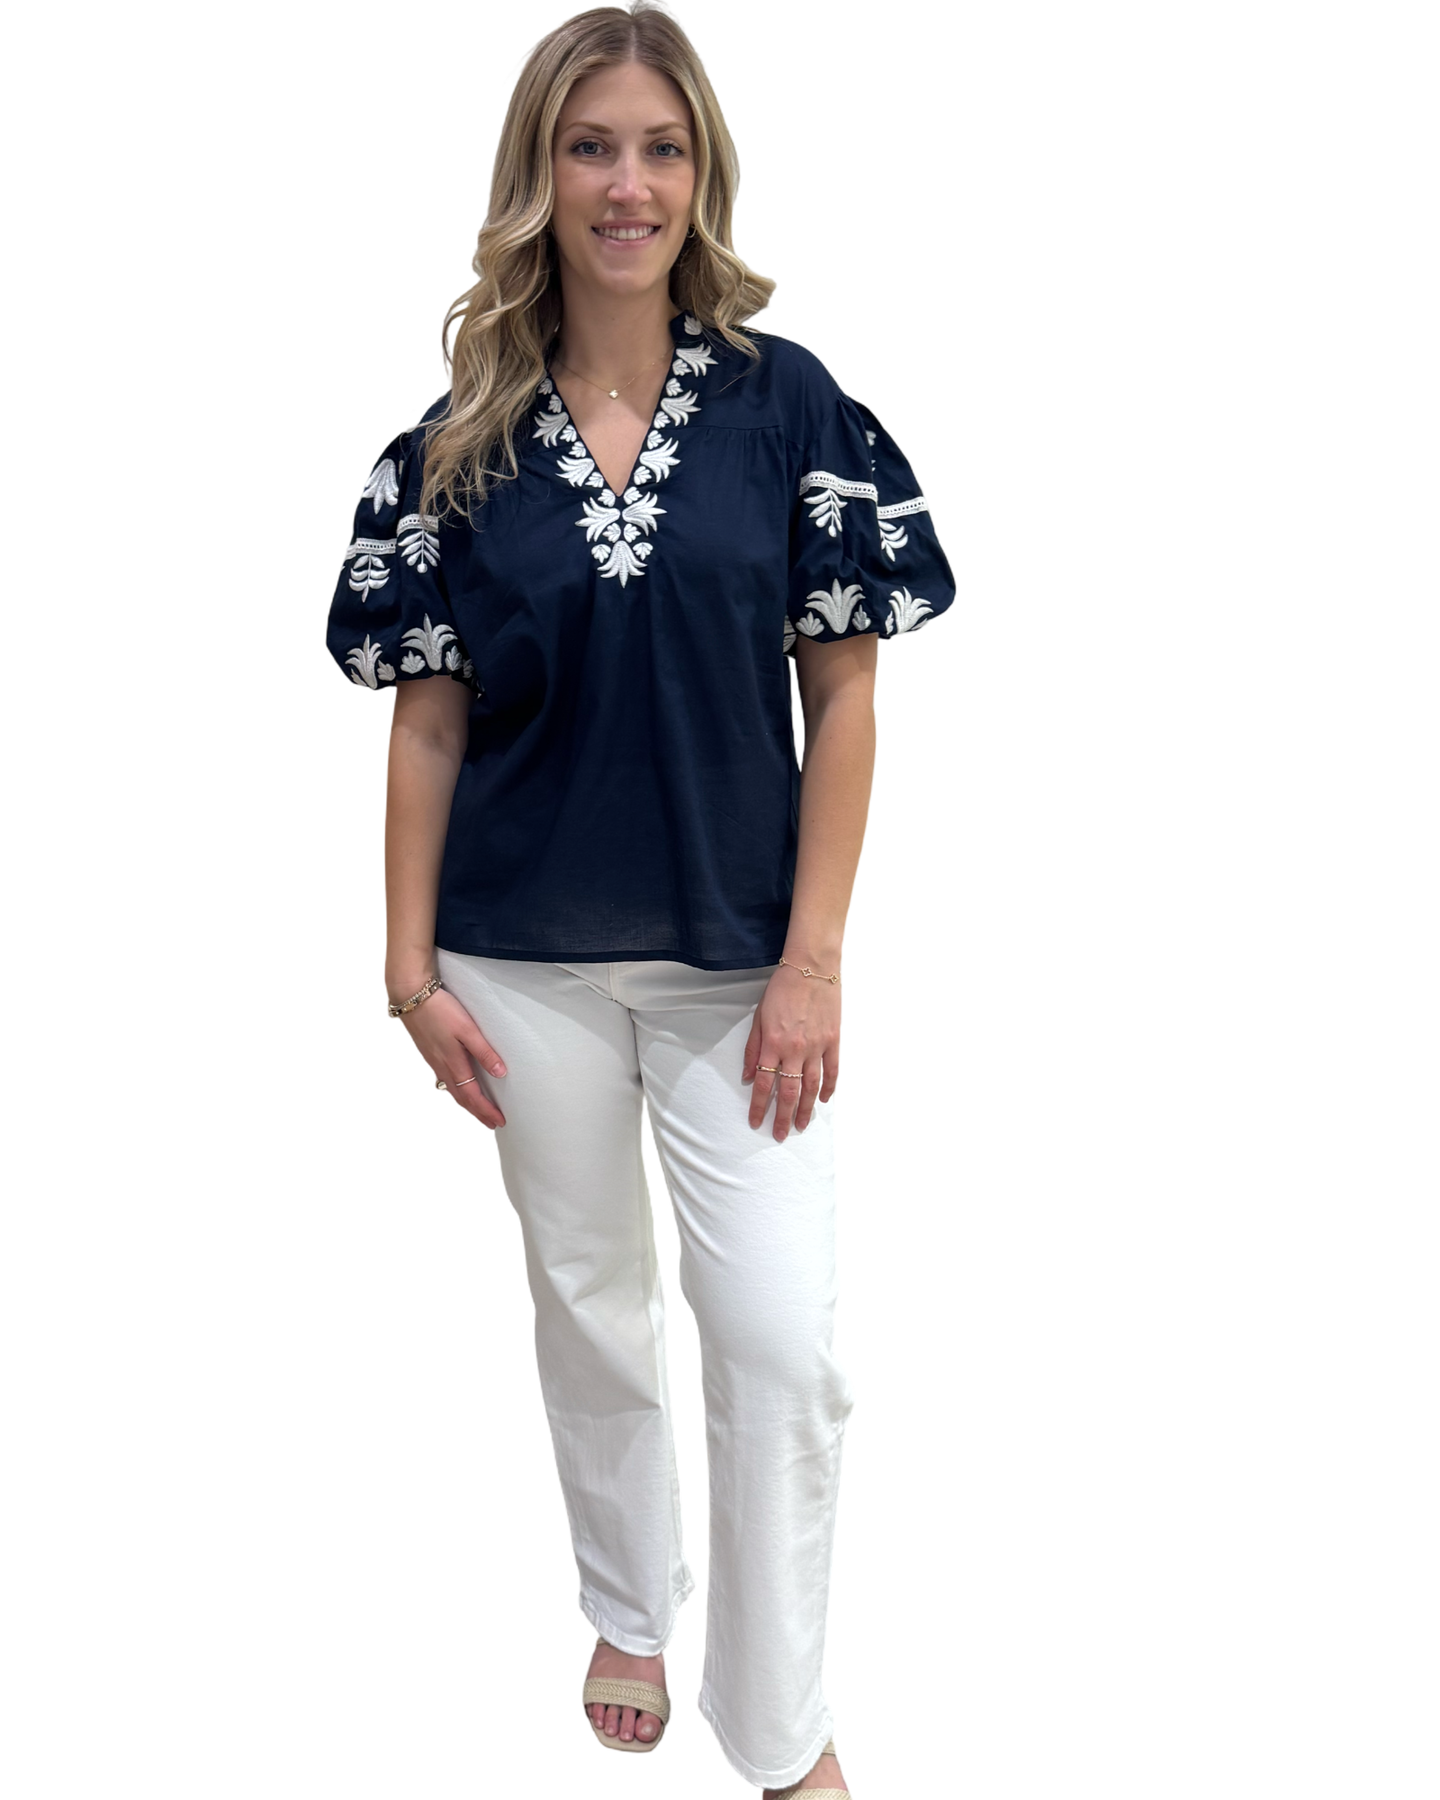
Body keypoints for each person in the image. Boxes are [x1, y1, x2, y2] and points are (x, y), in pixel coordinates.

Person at [324, 5, 955, 1793]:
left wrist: (814, 962)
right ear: (540, 171)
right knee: (591, 1298)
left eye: (660, 149)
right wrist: (406, 972)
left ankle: (785, 1728)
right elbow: (427, 718)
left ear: (702, 174)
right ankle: (625, 1600)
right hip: (516, 960)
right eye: (591, 146)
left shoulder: (789, 407)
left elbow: (845, 696)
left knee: (781, 1347)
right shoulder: (456, 443)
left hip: (739, 966)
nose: (627, 184)